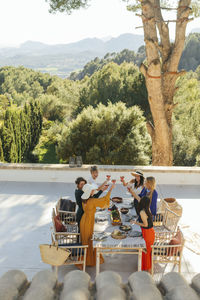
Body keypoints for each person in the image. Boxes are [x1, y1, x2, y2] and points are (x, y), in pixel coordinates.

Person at [80, 182, 115, 267]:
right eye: (92, 190)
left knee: (86, 240)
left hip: (84, 220)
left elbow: (96, 199)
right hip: (88, 222)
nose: (93, 191)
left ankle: (87, 259)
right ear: (89, 192)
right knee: (89, 240)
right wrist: (110, 190)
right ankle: (88, 261)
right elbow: (103, 201)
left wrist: (104, 189)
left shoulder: (84, 199)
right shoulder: (91, 201)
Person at [130, 196, 155, 273]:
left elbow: (145, 225)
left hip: (147, 233)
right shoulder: (148, 209)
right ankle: (147, 267)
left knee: (146, 252)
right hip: (151, 232)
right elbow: (139, 199)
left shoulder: (142, 212)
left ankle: (147, 269)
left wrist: (135, 222)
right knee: (147, 252)